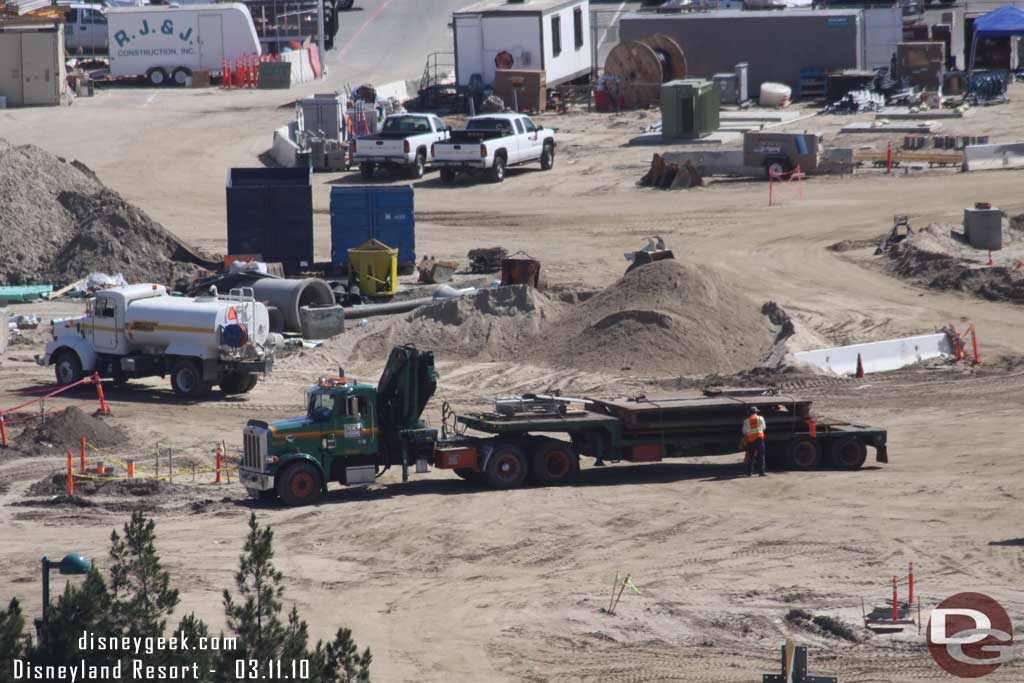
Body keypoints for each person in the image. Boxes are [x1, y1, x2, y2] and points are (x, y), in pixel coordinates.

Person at [743, 406, 767, 477]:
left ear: (749, 413)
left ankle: (749, 473)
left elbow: (744, 431)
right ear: (756, 412)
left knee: (751, 457)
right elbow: (764, 428)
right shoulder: (760, 418)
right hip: (759, 439)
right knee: (761, 456)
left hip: (751, 440)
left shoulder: (746, 420)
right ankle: (761, 472)